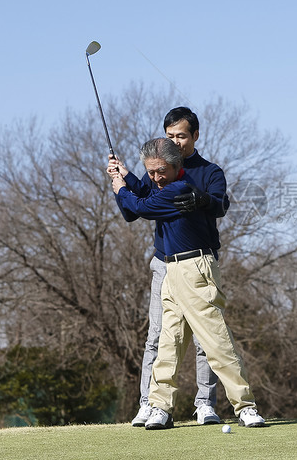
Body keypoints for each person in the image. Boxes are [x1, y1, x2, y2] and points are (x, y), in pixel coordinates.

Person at [110, 137, 266, 429]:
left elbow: (137, 207)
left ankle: (245, 406)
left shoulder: (178, 189)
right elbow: (136, 203)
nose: (155, 177)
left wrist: (120, 186)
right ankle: (160, 406)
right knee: (169, 343)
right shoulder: (164, 186)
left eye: (160, 171)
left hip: (196, 269)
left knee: (215, 341)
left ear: (176, 165)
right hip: (172, 269)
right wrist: (125, 176)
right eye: (150, 171)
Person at [108, 107, 228, 428]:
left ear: (195, 136)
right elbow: (142, 203)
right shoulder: (159, 170)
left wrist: (201, 200)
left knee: (206, 339)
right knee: (157, 336)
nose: (176, 140)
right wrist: (125, 178)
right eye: (170, 135)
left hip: (200, 262)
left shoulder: (208, 172)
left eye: (182, 136)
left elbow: (220, 204)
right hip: (164, 263)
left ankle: (205, 404)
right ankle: (151, 402)